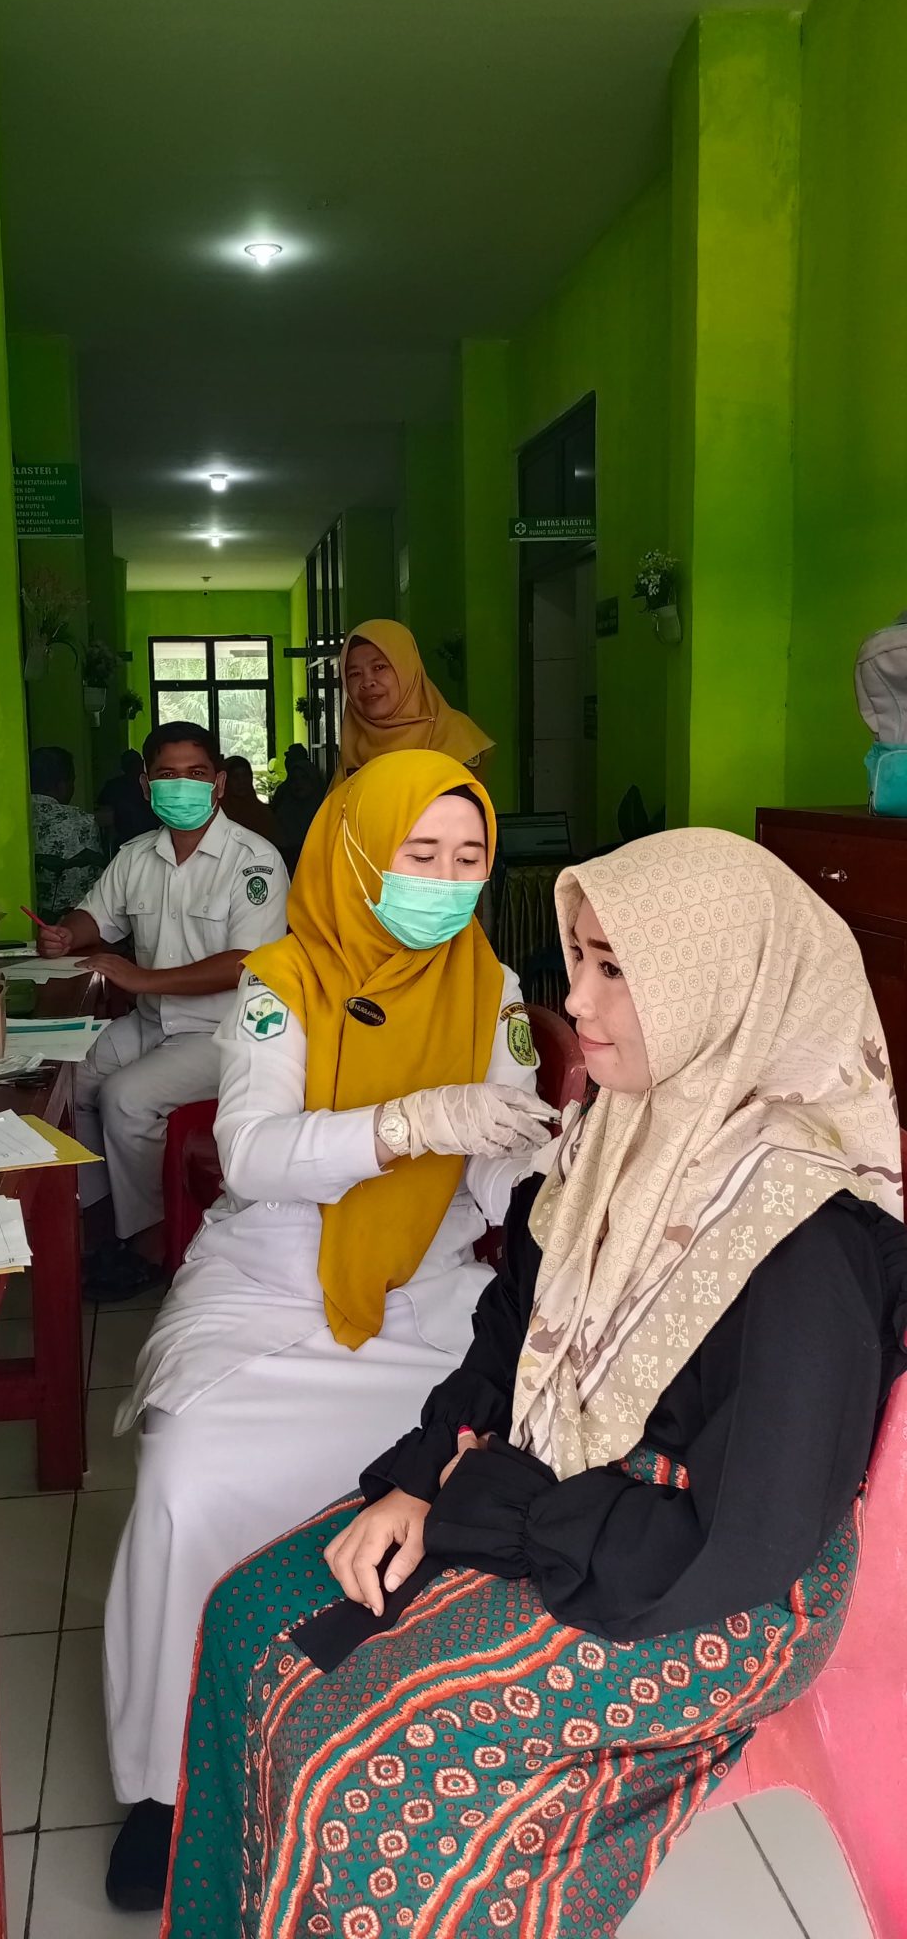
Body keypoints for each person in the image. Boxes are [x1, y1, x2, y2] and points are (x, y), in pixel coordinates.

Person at [162, 827, 907, 1938]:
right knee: (248, 1616)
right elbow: (513, 1330)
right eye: (580, 961)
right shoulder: (621, 1131)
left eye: (617, 970)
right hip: (559, 1485)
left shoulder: (805, 1233)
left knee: (351, 1760)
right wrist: (420, 1479)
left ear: (722, 990)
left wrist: (481, 1511)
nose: (579, 1002)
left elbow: (745, 1538)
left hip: (705, 1579)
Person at [102, 749, 556, 1910]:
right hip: (271, 1277)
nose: (445, 882)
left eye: (468, 858)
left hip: (428, 1285)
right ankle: (163, 1786)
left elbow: (497, 1168)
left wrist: (541, 1163)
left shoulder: (493, 988)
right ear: (358, 853)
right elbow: (252, 1153)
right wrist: (407, 1121)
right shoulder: (280, 978)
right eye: (420, 854)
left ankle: (366, 1735)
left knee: (480, 1464)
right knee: (187, 1481)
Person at [36, 722, 287, 1298]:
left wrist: (141, 978)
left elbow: (246, 963)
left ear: (218, 784)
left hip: (227, 1033)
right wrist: (66, 934)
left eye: (196, 773)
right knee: (66, 1080)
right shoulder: (136, 856)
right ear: (147, 786)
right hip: (152, 1023)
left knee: (127, 1097)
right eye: (168, 775)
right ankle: (99, 1222)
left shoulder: (255, 860)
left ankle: (151, 1243)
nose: (183, 785)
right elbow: (95, 915)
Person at [334, 618, 493, 786]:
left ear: (407, 668)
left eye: (379, 667)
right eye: (354, 674)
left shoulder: (453, 734)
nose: (367, 682)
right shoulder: (354, 744)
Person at [28, 744, 104, 922]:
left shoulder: (12, 817)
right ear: (62, 785)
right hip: (68, 923)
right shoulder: (82, 821)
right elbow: (92, 884)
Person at [269, 740, 325, 875]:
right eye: (294, 780)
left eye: (304, 778)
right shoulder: (284, 799)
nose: (298, 783)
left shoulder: (326, 811)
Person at [96, 747, 158, 850]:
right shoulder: (114, 786)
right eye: (131, 764)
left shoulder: (151, 784)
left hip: (152, 836)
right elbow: (103, 812)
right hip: (125, 839)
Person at [218, 753, 281, 848]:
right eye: (235, 777)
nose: (241, 782)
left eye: (245, 775)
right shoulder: (217, 814)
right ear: (225, 781)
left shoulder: (262, 813)